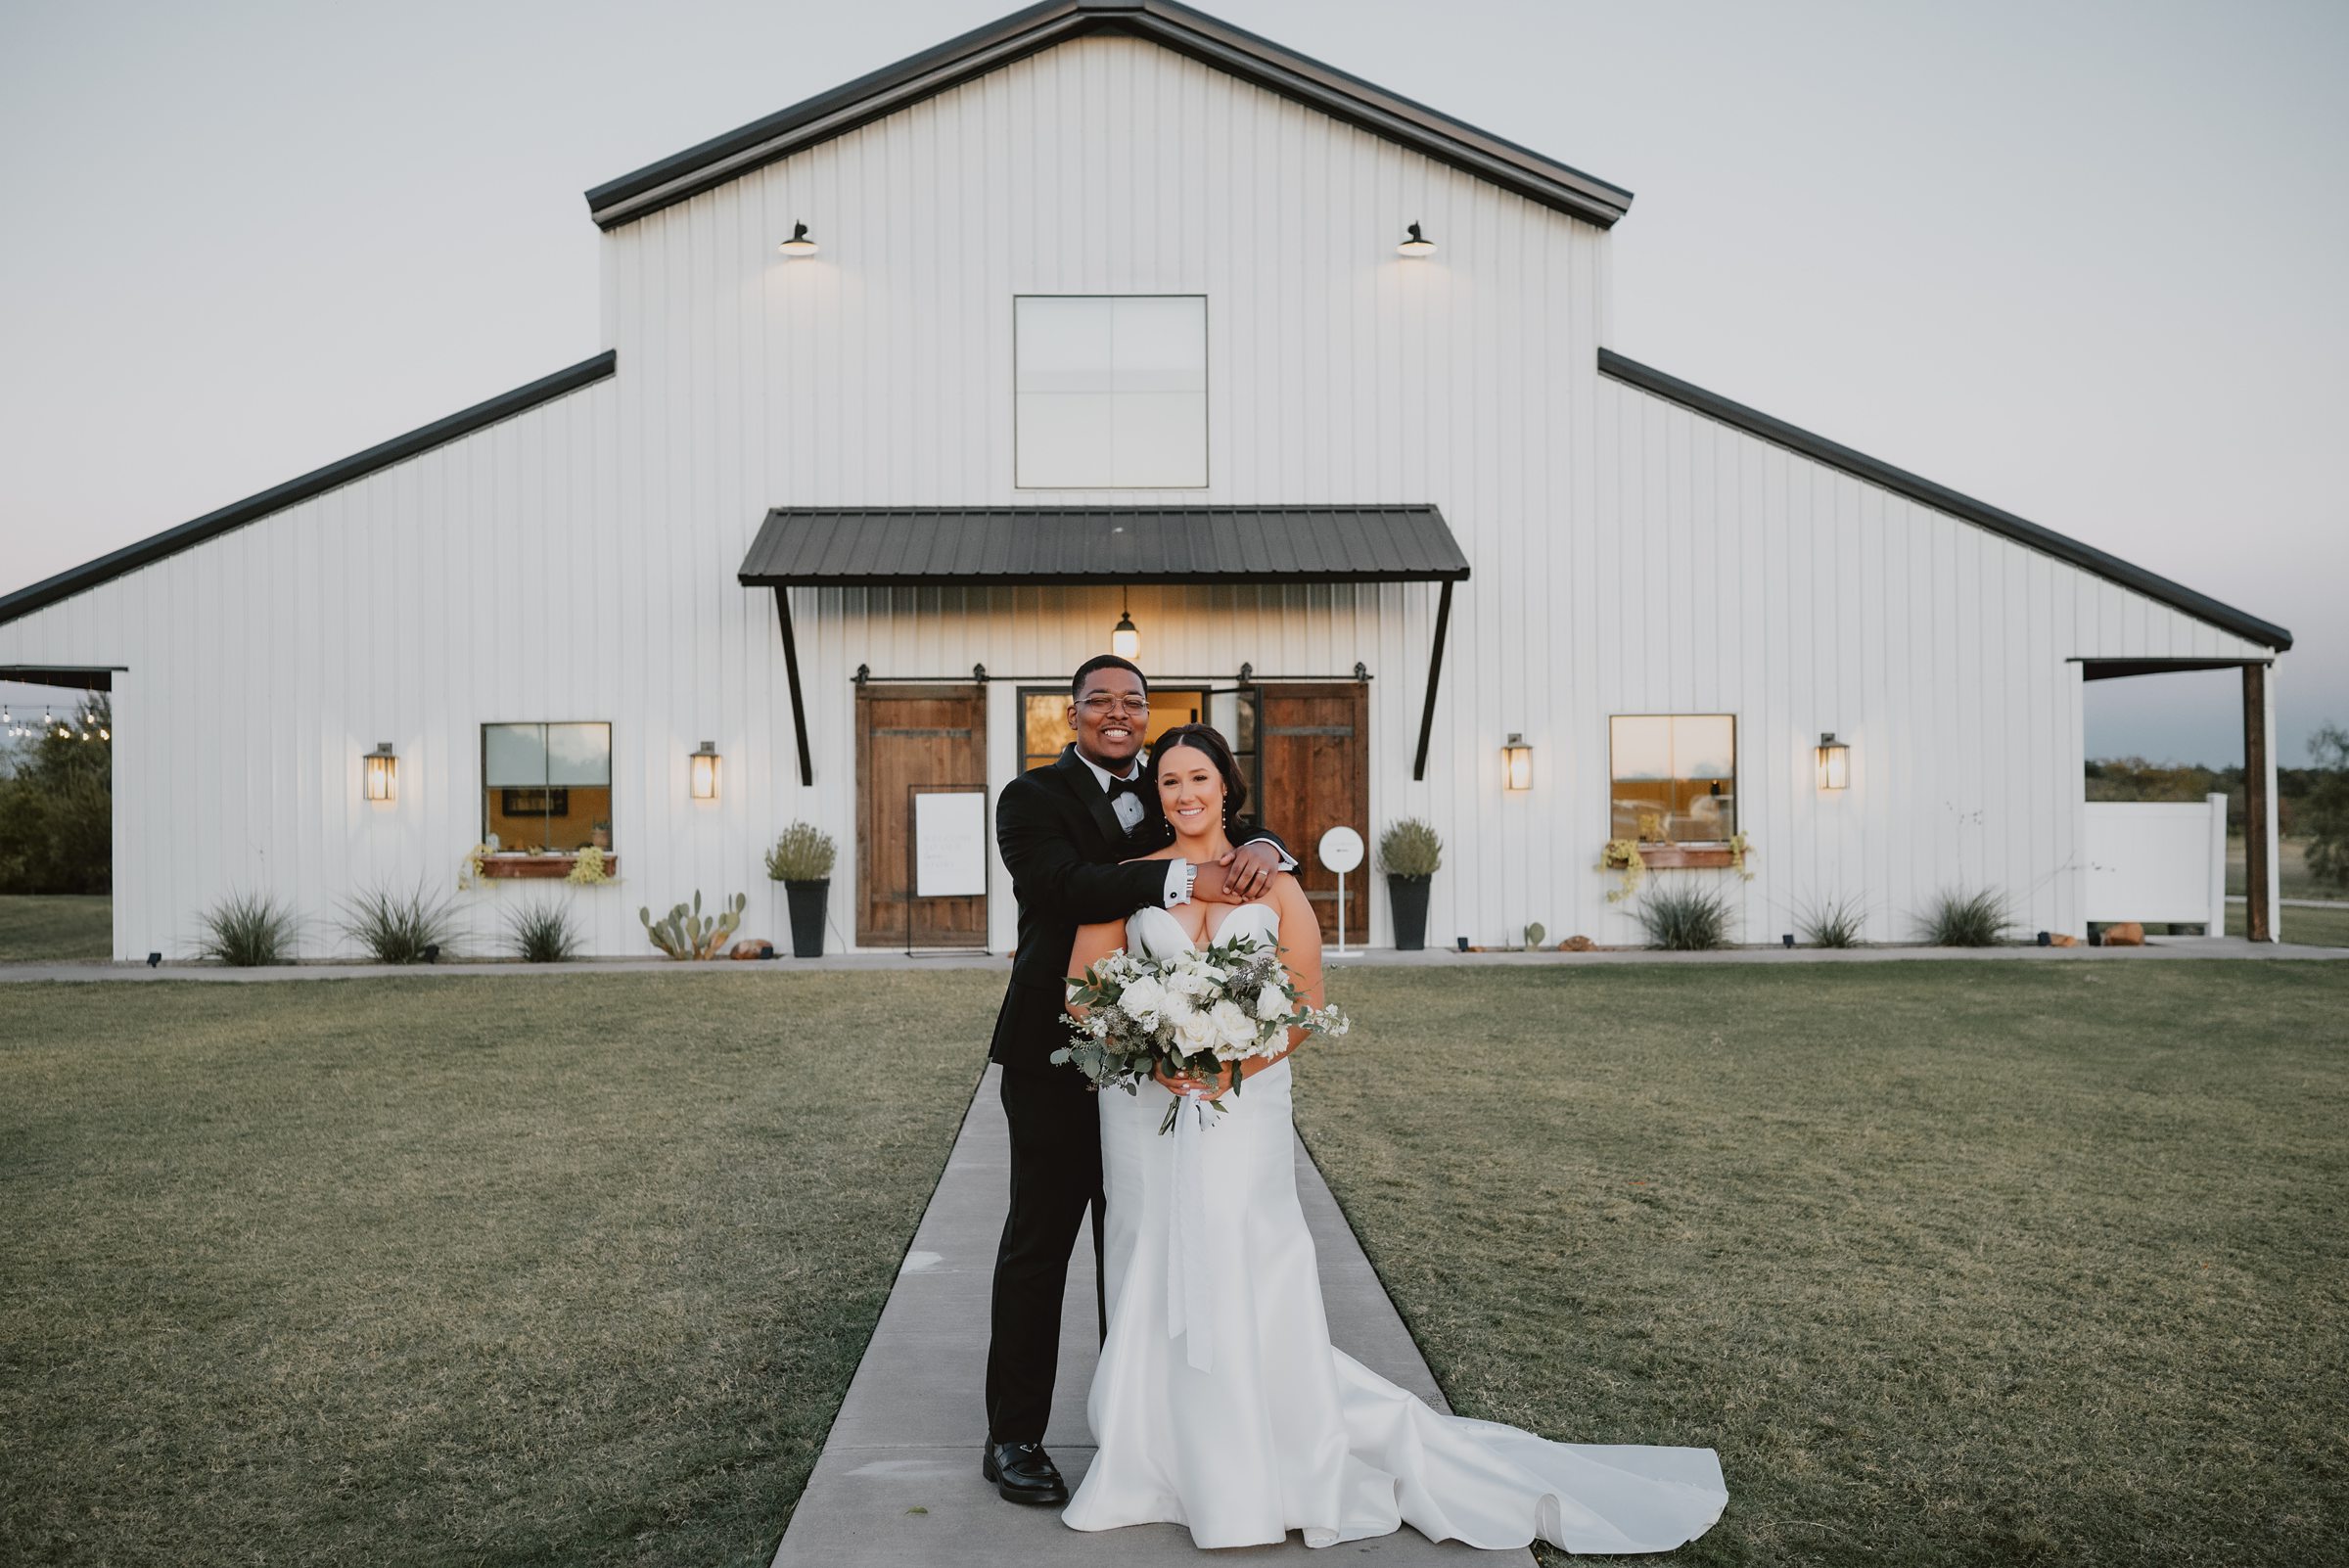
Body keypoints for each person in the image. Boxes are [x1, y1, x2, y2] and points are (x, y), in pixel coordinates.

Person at [1057, 723, 1730, 1552]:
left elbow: (1304, 1003)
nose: (1184, 794)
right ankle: (1150, 1455)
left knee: (1243, 1255)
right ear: (1156, 795)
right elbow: (1082, 991)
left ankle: (1261, 1457)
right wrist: (1148, 1050)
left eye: (1198, 777)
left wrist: (1232, 1067)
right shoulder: (1130, 879)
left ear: (1227, 786)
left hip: (1241, 1107)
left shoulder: (1274, 882)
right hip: (1145, 1113)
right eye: (1169, 782)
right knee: (1150, 1255)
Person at [982, 656, 1294, 1507]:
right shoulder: (1030, 798)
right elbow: (1062, 886)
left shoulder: (1166, 788)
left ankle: (1139, 1430)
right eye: (1100, 701)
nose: (1116, 714)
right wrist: (1185, 877)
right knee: (1040, 1245)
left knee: (1142, 1248)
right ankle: (1013, 1437)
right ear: (1072, 714)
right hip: (1055, 1054)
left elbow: (1224, 815)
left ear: (1148, 714)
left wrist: (1265, 847)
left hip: (1160, 1077)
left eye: (1133, 702)